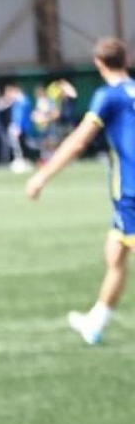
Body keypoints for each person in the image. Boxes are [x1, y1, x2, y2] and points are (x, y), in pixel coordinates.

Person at [26, 37, 135, 346]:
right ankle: (95, 322)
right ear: (127, 59)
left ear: (99, 64)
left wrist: (42, 176)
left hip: (131, 192)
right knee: (115, 251)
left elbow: (78, 141)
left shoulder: (108, 96)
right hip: (127, 196)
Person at [6, 83, 34, 173]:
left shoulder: (23, 101)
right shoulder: (17, 102)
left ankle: (23, 163)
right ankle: (21, 161)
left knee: (21, 145)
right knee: (18, 145)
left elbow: (21, 116)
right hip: (18, 127)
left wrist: (18, 126)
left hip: (21, 128)